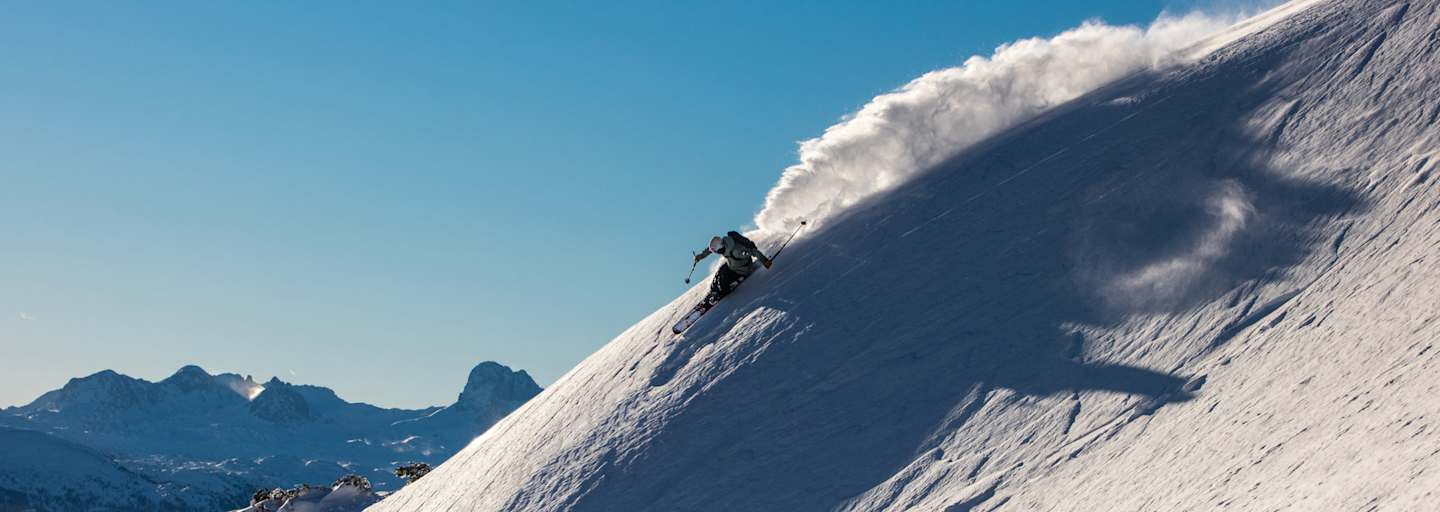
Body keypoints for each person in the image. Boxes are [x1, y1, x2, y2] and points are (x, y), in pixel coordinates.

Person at [693, 231, 772, 307]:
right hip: (732, 266)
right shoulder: (724, 244)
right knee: (719, 272)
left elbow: (754, 252)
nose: (716, 252)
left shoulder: (737, 250)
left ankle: (722, 293)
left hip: (742, 269)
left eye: (716, 251)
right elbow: (710, 250)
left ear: (720, 247)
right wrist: (700, 256)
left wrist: (765, 261)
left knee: (724, 279)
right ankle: (713, 291)